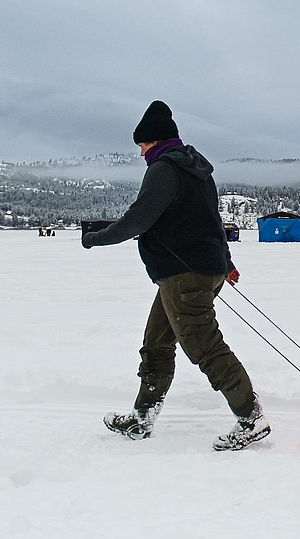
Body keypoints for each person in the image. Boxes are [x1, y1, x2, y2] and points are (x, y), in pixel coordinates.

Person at [81, 100, 270, 452]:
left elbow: (140, 218)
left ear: (154, 140)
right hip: (196, 270)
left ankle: (251, 417)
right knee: (157, 343)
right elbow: (213, 220)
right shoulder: (197, 170)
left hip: (185, 276)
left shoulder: (164, 169)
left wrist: (95, 238)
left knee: (205, 347)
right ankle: (141, 419)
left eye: (141, 145)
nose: (140, 153)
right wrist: (225, 261)